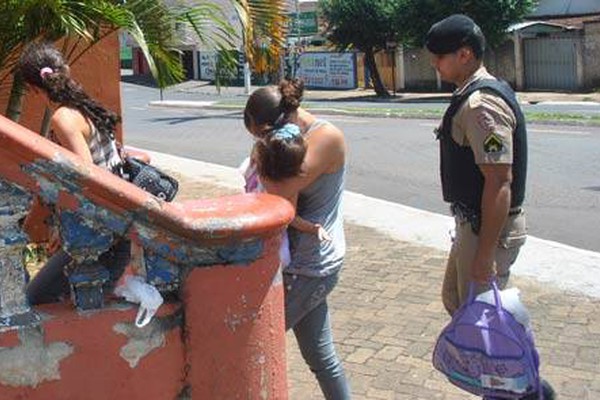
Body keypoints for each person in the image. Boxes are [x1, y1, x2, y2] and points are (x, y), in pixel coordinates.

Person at [425, 14, 554, 400]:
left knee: (489, 326)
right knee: (457, 301)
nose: (434, 64)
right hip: (474, 226)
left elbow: (500, 181)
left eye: (440, 57)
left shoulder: (483, 104)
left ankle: (523, 391)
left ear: (465, 54)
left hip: (488, 232)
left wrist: (484, 253)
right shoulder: (471, 92)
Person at [243, 79, 351, 399]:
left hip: (310, 265)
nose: (260, 142)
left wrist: (261, 156)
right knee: (320, 356)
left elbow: (278, 192)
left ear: (267, 127)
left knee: (250, 341)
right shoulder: (288, 139)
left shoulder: (324, 138)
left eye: (260, 136)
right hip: (299, 262)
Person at [15, 42, 130, 305]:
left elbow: (86, 179)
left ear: (33, 89)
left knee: (35, 299)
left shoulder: (63, 119)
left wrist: (65, 229)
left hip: (100, 237)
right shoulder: (83, 107)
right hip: (111, 229)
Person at [240, 122, 332, 266]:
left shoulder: (250, 171)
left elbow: (257, 149)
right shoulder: (288, 191)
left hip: (247, 236)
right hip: (274, 246)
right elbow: (291, 218)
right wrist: (314, 228)